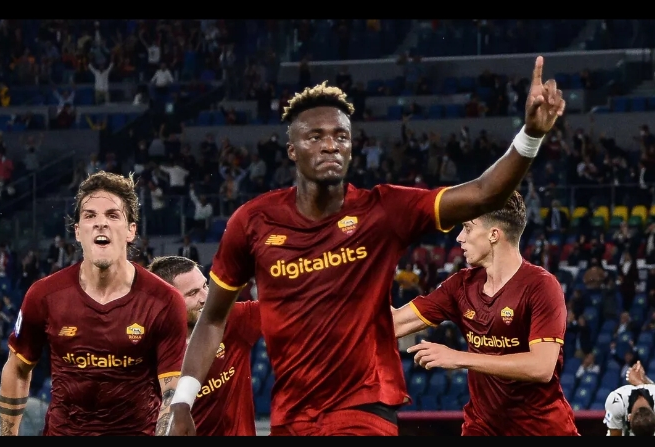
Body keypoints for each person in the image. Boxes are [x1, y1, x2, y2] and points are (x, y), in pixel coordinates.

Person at [169, 56, 566, 436]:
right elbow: (213, 318)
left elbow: (482, 193)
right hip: (292, 414)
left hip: (365, 408)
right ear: (292, 150)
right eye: (315, 136)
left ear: (351, 147)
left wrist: (531, 135)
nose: (330, 145)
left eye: (340, 136)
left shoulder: (383, 210)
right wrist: (183, 402)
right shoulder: (252, 222)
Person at [0, 171, 189, 436]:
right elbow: (17, 369)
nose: (101, 223)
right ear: (78, 231)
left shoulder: (165, 301)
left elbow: (172, 393)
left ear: (131, 230)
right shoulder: (43, 295)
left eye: (112, 215)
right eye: (90, 216)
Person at [391, 192, 579, 436]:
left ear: (493, 235)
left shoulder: (541, 286)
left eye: (468, 228)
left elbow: (541, 367)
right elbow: (395, 324)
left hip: (542, 429)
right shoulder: (460, 285)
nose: (459, 237)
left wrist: (459, 358)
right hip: (482, 427)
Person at [147, 256, 261, 435]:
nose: (205, 298)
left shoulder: (233, 320)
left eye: (205, 286)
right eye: (192, 293)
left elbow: (285, 309)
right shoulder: (147, 352)